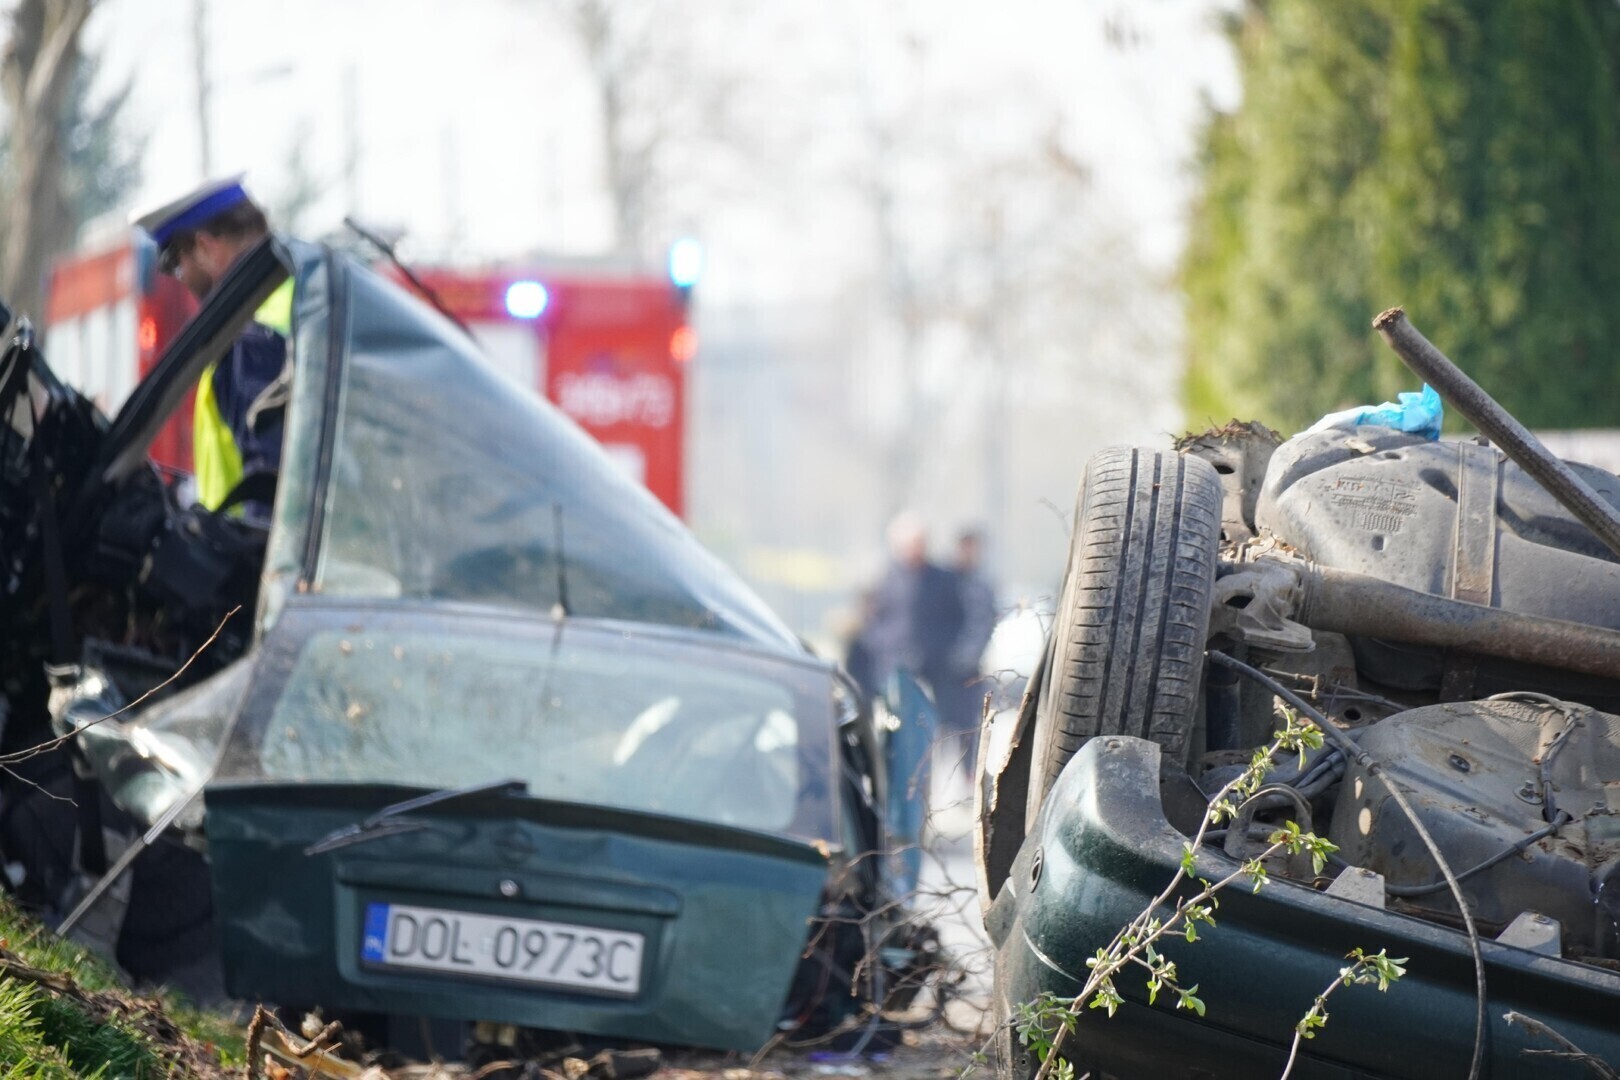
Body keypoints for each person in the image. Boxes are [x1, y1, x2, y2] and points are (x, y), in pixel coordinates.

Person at [133, 175, 292, 520]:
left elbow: (269, 498)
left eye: (175, 263)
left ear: (204, 247)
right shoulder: (299, 297)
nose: (181, 277)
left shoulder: (247, 342)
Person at [940, 527, 997, 773]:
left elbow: (982, 625)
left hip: (968, 672)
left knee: (969, 732)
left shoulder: (980, 586)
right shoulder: (945, 581)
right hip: (942, 672)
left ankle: (968, 780)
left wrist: (966, 659)